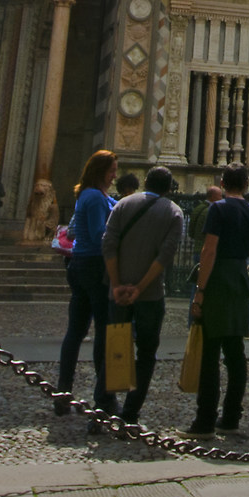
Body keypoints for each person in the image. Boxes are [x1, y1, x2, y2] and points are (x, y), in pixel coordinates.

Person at [99, 166, 184, 423]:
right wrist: (139, 288)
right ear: (169, 188)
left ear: (145, 182)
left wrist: (116, 285)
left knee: (116, 346)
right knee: (146, 353)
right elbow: (165, 256)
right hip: (150, 295)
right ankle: (130, 413)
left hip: (118, 292)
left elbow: (108, 244)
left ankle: (102, 407)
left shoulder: (122, 204)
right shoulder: (174, 212)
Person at [189, 166, 249, 436]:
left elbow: (209, 251)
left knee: (210, 352)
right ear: (247, 184)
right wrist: (248, 281)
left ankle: (205, 421)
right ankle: (231, 417)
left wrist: (200, 291)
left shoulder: (218, 209)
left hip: (218, 278)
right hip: (239, 280)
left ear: (222, 183)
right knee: (235, 353)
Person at [55, 149, 118, 415]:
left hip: (79, 264)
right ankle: (104, 399)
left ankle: (63, 391)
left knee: (76, 331)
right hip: (94, 266)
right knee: (103, 331)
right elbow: (99, 235)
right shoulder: (93, 197)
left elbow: (114, 204)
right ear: (101, 171)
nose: (114, 175)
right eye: (112, 170)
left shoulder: (92, 195)